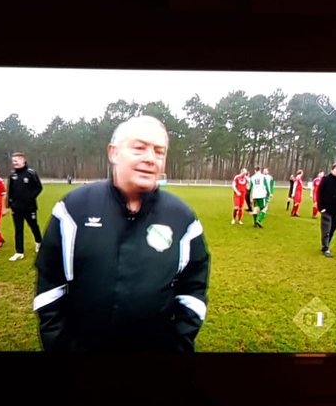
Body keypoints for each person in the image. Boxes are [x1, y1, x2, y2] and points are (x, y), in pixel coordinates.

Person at [34, 115, 210, 352]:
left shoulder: (183, 219)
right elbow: (49, 285)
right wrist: (61, 345)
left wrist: (177, 345)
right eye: (139, 148)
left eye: (159, 152)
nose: (150, 158)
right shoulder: (73, 209)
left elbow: (194, 289)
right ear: (113, 153)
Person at [7, 152, 43, 261]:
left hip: (29, 207)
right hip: (16, 208)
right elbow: (10, 191)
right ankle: (19, 252)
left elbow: (39, 187)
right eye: (13, 161)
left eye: (17, 160)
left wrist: (30, 198)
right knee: (18, 229)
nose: (15, 163)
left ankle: (39, 242)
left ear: (23, 160)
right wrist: (10, 205)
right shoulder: (12, 175)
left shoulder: (31, 173)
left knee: (33, 225)